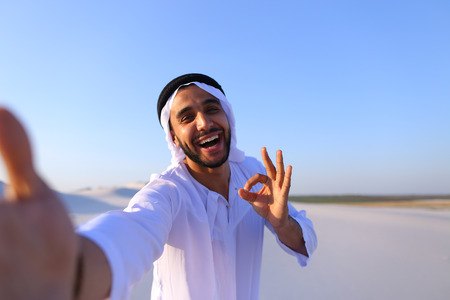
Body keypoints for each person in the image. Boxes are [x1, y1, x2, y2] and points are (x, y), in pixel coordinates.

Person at [0, 73, 317, 300]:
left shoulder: (255, 174)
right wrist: (74, 271)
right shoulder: (168, 192)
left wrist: (281, 221)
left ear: (228, 117)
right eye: (187, 117)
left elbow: (305, 241)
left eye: (211, 108)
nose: (204, 123)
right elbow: (133, 231)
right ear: (175, 138)